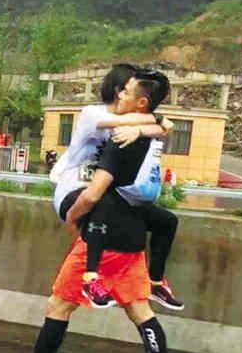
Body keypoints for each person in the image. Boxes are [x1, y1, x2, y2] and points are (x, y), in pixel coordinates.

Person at [0, 71, 190, 353]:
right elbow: (162, 127)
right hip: (133, 237)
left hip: (104, 238)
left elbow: (94, 194)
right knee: (140, 311)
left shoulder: (120, 139)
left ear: (139, 101)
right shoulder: (144, 134)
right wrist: (148, 126)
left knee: (59, 305)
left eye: (126, 92)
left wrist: (73, 215)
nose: (120, 95)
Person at [52, 63, 184, 311]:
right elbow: (159, 123)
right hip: (73, 189)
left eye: (128, 91)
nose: (124, 95)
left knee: (166, 221)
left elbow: (165, 129)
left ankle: (155, 282)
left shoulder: (131, 122)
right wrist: (154, 121)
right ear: (117, 90)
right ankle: (91, 278)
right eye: (124, 89)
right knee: (99, 200)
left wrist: (141, 130)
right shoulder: (93, 113)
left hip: (103, 191)